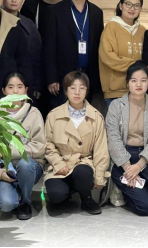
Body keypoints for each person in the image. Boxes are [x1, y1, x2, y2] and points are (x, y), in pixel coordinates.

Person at [106, 62, 148, 217]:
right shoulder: (116, 106)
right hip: (123, 158)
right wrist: (128, 168)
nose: (139, 84)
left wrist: (138, 167)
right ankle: (124, 188)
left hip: (146, 156)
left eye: (143, 80)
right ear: (127, 83)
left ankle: (134, 187)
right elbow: (113, 140)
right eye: (134, 80)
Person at [44, 71, 110, 215]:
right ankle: (66, 194)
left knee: (83, 172)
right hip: (61, 166)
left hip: (83, 164)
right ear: (66, 90)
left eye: (82, 88)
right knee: (56, 195)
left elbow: (101, 149)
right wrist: (58, 163)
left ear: (87, 90)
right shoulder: (54, 115)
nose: (77, 92)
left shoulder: (96, 117)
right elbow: (48, 144)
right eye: (72, 88)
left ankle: (86, 198)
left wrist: (99, 176)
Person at [43, 0, 104, 111]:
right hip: (63, 78)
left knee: (86, 117)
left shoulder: (96, 12)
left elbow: (99, 47)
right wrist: (52, 78)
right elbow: (48, 48)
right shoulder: (54, 11)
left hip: (89, 77)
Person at [0, 72, 46, 221]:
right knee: (7, 204)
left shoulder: (33, 114)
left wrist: (9, 152)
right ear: (3, 91)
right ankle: (14, 191)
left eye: (20, 87)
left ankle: (25, 202)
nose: (15, 91)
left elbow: (39, 147)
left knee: (25, 164)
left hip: (30, 166)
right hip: (3, 168)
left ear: (26, 90)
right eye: (10, 87)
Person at [100, 0, 148, 109]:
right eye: (128, 4)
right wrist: (136, 65)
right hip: (116, 92)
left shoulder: (143, 30)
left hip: (139, 91)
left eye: (137, 5)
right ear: (120, 6)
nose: (132, 8)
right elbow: (107, 56)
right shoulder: (111, 27)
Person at [4, 0, 43, 105]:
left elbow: (37, 56)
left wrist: (37, 85)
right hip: (2, 79)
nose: (14, 0)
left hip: (26, 79)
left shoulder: (28, 24)